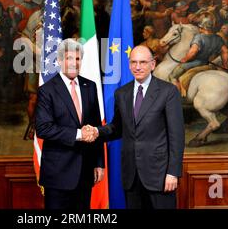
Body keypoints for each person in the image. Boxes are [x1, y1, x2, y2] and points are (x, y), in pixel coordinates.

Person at [84, 45, 185, 209]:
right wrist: (96, 131)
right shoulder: (121, 93)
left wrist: (173, 172)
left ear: (153, 64)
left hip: (160, 176)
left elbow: (177, 136)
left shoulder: (168, 92)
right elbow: (117, 128)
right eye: (134, 62)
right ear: (129, 65)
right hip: (131, 176)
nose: (138, 67)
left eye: (143, 62)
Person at [35, 38, 104, 209]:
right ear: (59, 61)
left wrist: (98, 163)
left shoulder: (90, 87)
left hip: (85, 172)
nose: (74, 63)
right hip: (58, 174)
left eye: (78, 59)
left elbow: (97, 128)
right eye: (69, 58)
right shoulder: (47, 90)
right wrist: (79, 134)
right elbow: (44, 128)